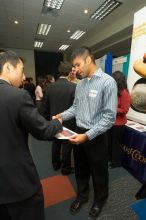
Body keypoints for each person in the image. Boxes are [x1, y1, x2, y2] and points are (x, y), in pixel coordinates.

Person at [53, 47, 117, 219]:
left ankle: (100, 201)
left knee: (99, 172)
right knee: (81, 168)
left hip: (96, 135)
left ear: (89, 60)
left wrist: (88, 135)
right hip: (78, 133)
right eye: (73, 66)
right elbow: (75, 108)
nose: (75, 69)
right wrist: (61, 116)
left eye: (77, 65)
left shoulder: (107, 82)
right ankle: (82, 197)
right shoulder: (80, 84)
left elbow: (109, 118)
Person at [0, 50, 62, 220]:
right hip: (17, 182)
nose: (24, 75)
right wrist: (57, 123)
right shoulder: (18, 96)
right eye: (21, 69)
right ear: (7, 67)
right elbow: (43, 130)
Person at [40, 61, 76, 175]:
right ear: (70, 72)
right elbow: (76, 107)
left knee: (55, 143)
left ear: (59, 71)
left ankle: (55, 165)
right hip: (69, 121)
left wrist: (46, 121)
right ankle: (66, 168)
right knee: (67, 145)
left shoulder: (50, 87)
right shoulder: (74, 87)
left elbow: (44, 107)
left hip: (54, 120)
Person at [108, 71, 131, 168]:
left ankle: (116, 163)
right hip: (111, 123)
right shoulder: (115, 91)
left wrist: (112, 108)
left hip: (119, 125)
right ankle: (110, 159)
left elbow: (125, 110)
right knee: (109, 143)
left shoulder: (125, 93)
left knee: (116, 145)